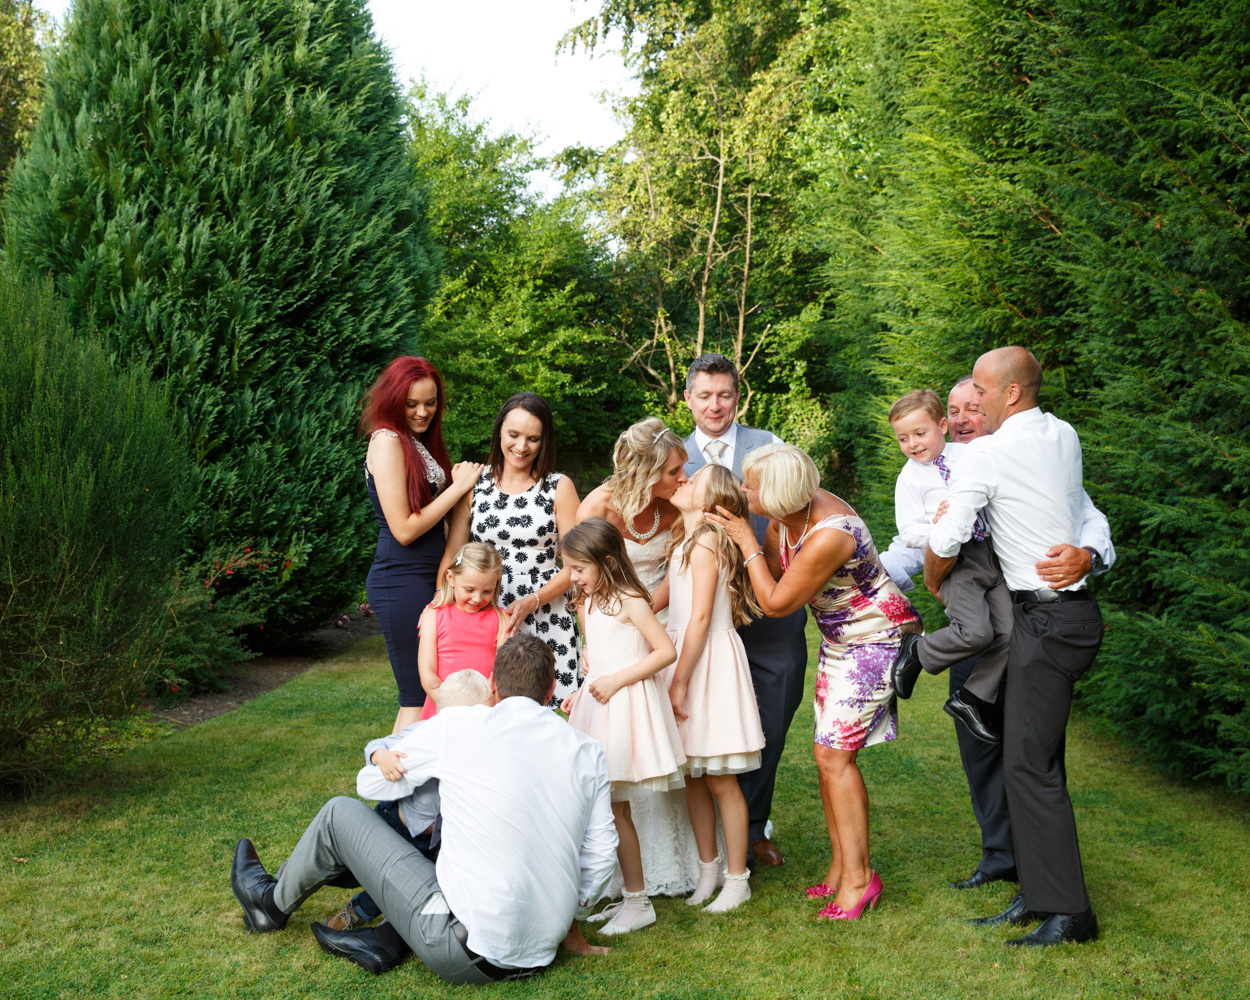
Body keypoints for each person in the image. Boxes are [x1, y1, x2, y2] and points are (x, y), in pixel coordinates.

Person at [229, 635, 619, 981]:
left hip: (462, 948)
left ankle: (270, 904)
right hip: (541, 952)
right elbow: (601, 855)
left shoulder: (462, 727)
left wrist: (401, 761)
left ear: (494, 686)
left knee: (339, 813)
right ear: (551, 690)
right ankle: (380, 940)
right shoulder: (587, 751)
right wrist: (570, 910)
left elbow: (370, 783)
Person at [886, 375, 1115, 893]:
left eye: (973, 406)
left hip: (1035, 627)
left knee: (1030, 752)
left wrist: (1090, 553)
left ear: (993, 408)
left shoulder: (1024, 457)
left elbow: (1085, 512)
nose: (965, 417)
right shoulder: (935, 474)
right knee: (980, 748)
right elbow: (909, 545)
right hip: (976, 632)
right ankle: (1000, 856)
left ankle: (1038, 863)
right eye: (955, 407)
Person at [707, 444, 921, 921]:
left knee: (834, 757)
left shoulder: (831, 534)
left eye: (751, 485)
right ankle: (842, 867)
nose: (744, 491)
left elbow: (778, 600)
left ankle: (861, 879)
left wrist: (745, 541)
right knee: (828, 755)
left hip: (875, 640)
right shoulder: (789, 513)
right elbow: (774, 571)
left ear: (781, 494)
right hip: (841, 640)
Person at [681, 353, 808, 869]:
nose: (716, 405)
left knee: (771, 722)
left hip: (771, 607)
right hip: (703, 616)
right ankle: (705, 835)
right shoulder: (672, 457)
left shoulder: (771, 448)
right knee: (706, 723)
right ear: (687, 398)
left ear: (739, 397)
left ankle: (754, 827)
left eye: (725, 395)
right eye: (705, 395)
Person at [577, 418, 703, 897]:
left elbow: (680, 565)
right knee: (619, 739)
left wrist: (645, 610)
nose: (682, 479)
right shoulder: (599, 506)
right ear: (646, 471)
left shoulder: (676, 507)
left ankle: (678, 861)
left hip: (658, 624)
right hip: (610, 630)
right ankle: (624, 874)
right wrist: (594, 643)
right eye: (674, 471)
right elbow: (580, 581)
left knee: (665, 740)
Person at [560, 518, 684, 936]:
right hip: (598, 704)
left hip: (624, 703)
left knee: (616, 807)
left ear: (607, 561)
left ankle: (638, 901)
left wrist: (617, 680)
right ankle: (627, 895)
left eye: (579, 568)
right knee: (610, 807)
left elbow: (664, 651)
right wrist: (582, 690)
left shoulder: (630, 598)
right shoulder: (589, 600)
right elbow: (596, 657)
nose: (572, 576)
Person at [360, 357, 483, 733]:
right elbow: (405, 529)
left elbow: (448, 528)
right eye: (412, 403)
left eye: (430, 402)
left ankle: (413, 788)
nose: (422, 412)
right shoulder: (386, 441)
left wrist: (464, 502)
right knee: (416, 697)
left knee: (433, 695)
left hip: (426, 579)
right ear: (394, 399)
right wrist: (458, 488)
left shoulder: (419, 445)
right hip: (399, 580)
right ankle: (390, 788)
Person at [884, 388, 1012, 744]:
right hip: (955, 561)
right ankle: (918, 651)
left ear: (942, 425)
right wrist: (938, 527)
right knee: (976, 632)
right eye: (902, 438)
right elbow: (908, 532)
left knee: (1009, 631)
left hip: (992, 557)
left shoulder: (971, 456)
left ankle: (971, 697)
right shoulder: (909, 478)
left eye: (919, 433)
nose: (912, 444)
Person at [322, 669, 493, 934]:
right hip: (396, 818)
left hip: (434, 840)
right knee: (356, 864)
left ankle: (361, 912)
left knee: (395, 881)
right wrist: (381, 755)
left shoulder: (483, 750)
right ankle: (308, 869)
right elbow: (378, 744)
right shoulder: (426, 731)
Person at [666, 464, 766, 913]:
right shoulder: (685, 540)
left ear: (711, 504)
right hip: (684, 652)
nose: (683, 478)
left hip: (707, 661)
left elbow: (701, 619)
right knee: (692, 773)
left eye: (695, 479)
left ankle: (737, 877)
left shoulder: (707, 542)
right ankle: (708, 869)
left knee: (721, 777)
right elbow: (671, 605)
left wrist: (681, 680)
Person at [443, 393, 581, 707]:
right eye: (514, 435)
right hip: (486, 611)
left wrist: (534, 600)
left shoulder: (559, 486)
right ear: (499, 432)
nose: (521, 447)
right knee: (484, 706)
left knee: (553, 712)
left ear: (544, 441)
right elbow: (454, 553)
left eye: (533, 439)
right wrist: (440, 605)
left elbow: (576, 566)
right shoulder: (474, 484)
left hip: (547, 611)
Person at [418, 543, 508, 719]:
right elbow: (427, 672)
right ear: (451, 578)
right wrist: (451, 710)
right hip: (442, 710)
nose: (477, 598)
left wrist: (483, 710)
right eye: (469, 590)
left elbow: (502, 672)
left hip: (486, 713)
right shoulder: (434, 615)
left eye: (487, 591)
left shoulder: (502, 619)